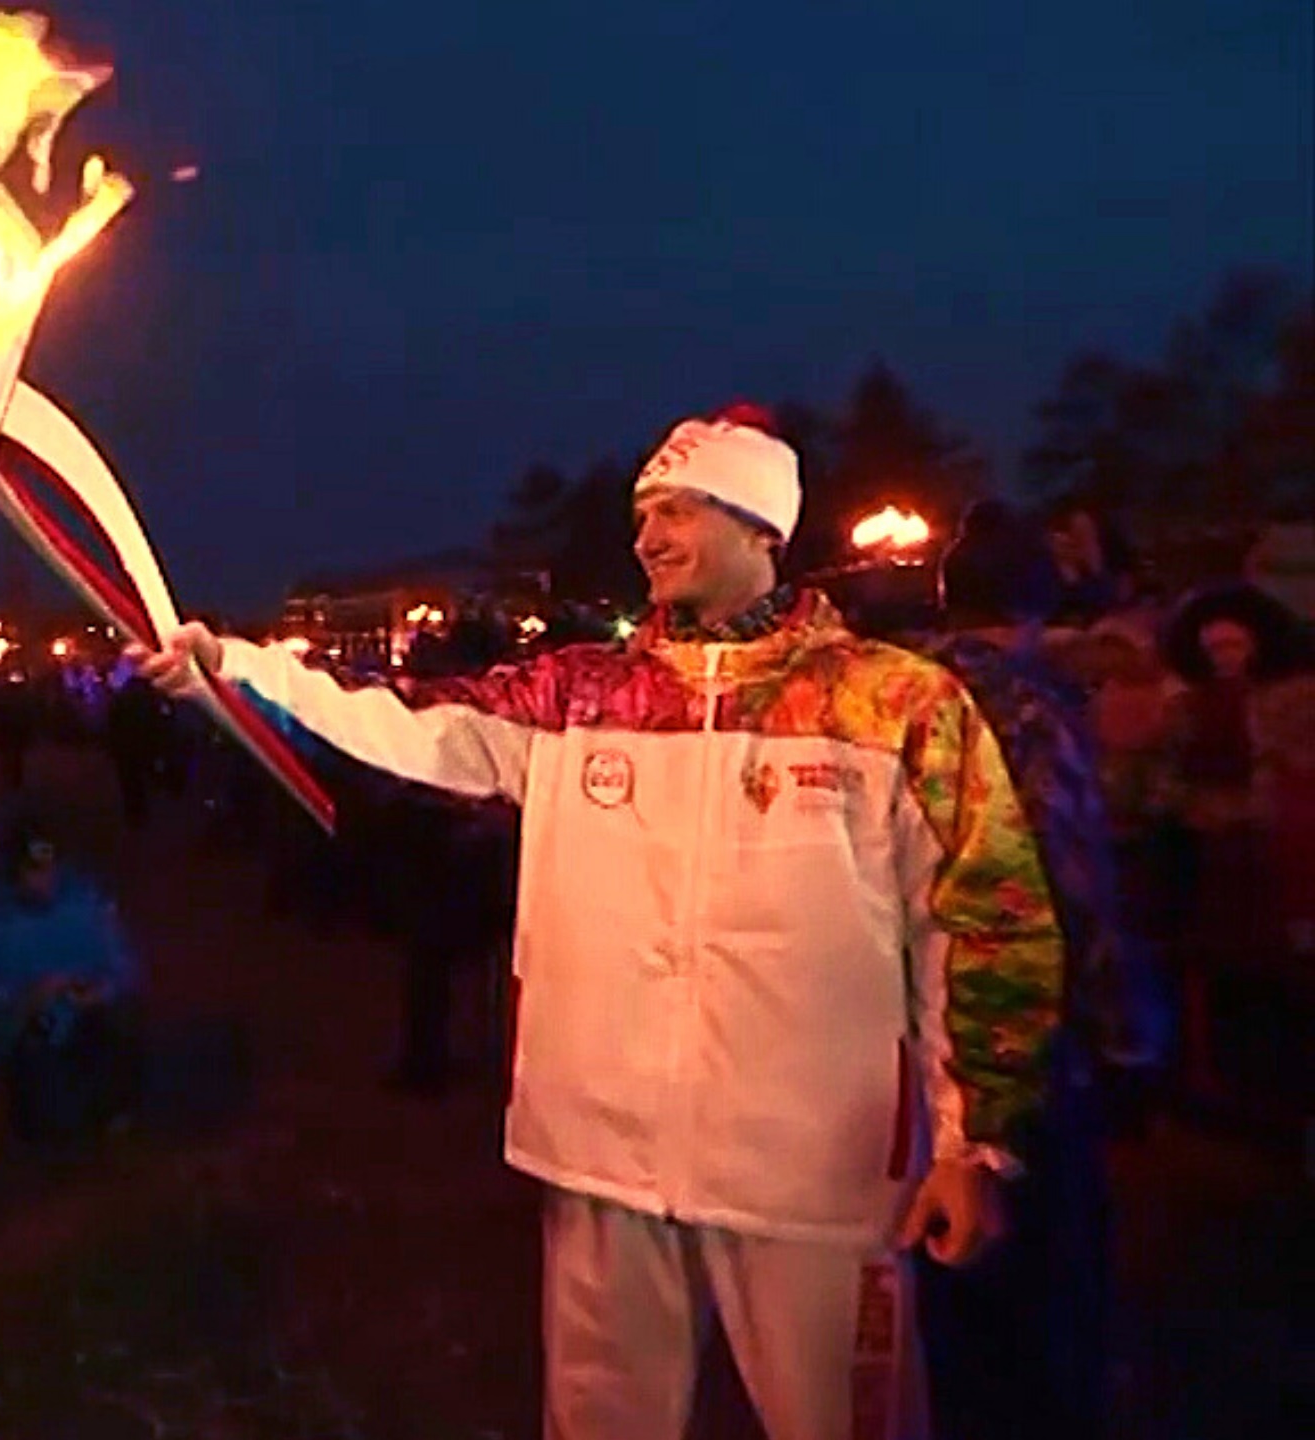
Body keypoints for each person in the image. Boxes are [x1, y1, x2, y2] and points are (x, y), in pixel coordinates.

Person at [134, 405, 1065, 1440]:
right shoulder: (575, 694)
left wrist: (971, 1145)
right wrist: (237, 672)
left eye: (678, 510)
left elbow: (986, 921)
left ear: (762, 525)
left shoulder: (896, 703)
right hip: (601, 1150)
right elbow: (391, 713)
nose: (646, 537)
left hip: (817, 1171)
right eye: (641, 514)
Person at [920, 501, 1169, 1438]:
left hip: (907, 1021)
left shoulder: (898, 695)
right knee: (1037, 1268)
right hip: (1016, 1023)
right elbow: (1068, 880)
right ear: (1034, 603)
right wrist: (1122, 1025)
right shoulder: (1032, 709)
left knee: (937, 1265)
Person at [0, 821, 143, 1144]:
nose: (45, 880)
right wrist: (28, 1000)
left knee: (117, 1031)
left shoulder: (87, 901)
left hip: (87, 1023)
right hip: (31, 1035)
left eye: (50, 868)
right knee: (49, 1126)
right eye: (34, 871)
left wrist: (98, 992)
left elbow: (125, 967)